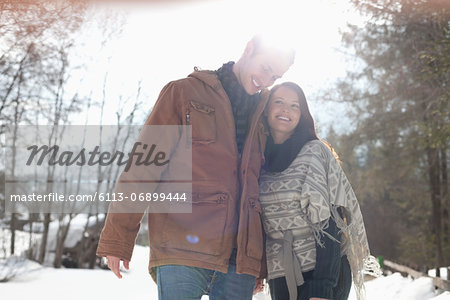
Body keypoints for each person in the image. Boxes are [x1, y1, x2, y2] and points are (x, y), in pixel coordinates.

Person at [96, 35, 295, 300]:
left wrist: (258, 264)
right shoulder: (183, 92)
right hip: (181, 245)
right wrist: (118, 236)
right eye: (265, 68)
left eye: (275, 76)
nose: (267, 79)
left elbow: (264, 188)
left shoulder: (265, 115)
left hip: (240, 260)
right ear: (248, 50)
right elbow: (144, 166)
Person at [258, 82, 380, 300]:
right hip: (281, 272)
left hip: (322, 272)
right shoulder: (257, 159)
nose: (286, 110)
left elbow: (330, 224)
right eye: (279, 102)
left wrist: (322, 287)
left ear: (302, 114)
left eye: (295, 105)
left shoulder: (313, 153)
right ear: (266, 109)